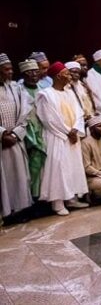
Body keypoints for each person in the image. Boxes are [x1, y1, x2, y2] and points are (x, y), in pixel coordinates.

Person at [36, 62, 89, 216]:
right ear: (58, 76)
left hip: (72, 136)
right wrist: (68, 132)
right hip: (57, 137)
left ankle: (71, 199)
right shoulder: (46, 95)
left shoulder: (69, 92)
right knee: (58, 169)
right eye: (66, 73)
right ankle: (57, 203)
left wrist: (76, 129)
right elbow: (49, 119)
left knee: (73, 167)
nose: (69, 76)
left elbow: (79, 113)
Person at [0, 54, 32, 219]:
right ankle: (5, 212)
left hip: (15, 139)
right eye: (7, 69)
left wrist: (15, 133)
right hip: (2, 142)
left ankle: (19, 210)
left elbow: (26, 113)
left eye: (11, 68)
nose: (11, 72)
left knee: (19, 176)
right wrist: (2, 134)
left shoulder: (16, 88)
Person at [18, 59, 47, 198]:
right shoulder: (19, 91)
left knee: (43, 165)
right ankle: (31, 197)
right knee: (30, 167)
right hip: (27, 134)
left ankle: (41, 196)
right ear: (23, 74)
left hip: (44, 131)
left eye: (36, 71)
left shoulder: (44, 90)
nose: (34, 74)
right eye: (29, 72)